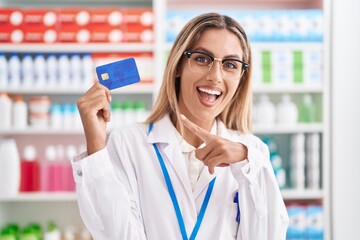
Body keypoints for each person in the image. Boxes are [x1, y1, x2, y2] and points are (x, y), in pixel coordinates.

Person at [73, 12, 289, 240]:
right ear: (178, 66)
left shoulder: (252, 151)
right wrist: (96, 146)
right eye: (202, 59)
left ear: (241, 77)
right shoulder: (129, 142)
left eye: (230, 64)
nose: (215, 76)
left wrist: (247, 164)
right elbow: (115, 235)